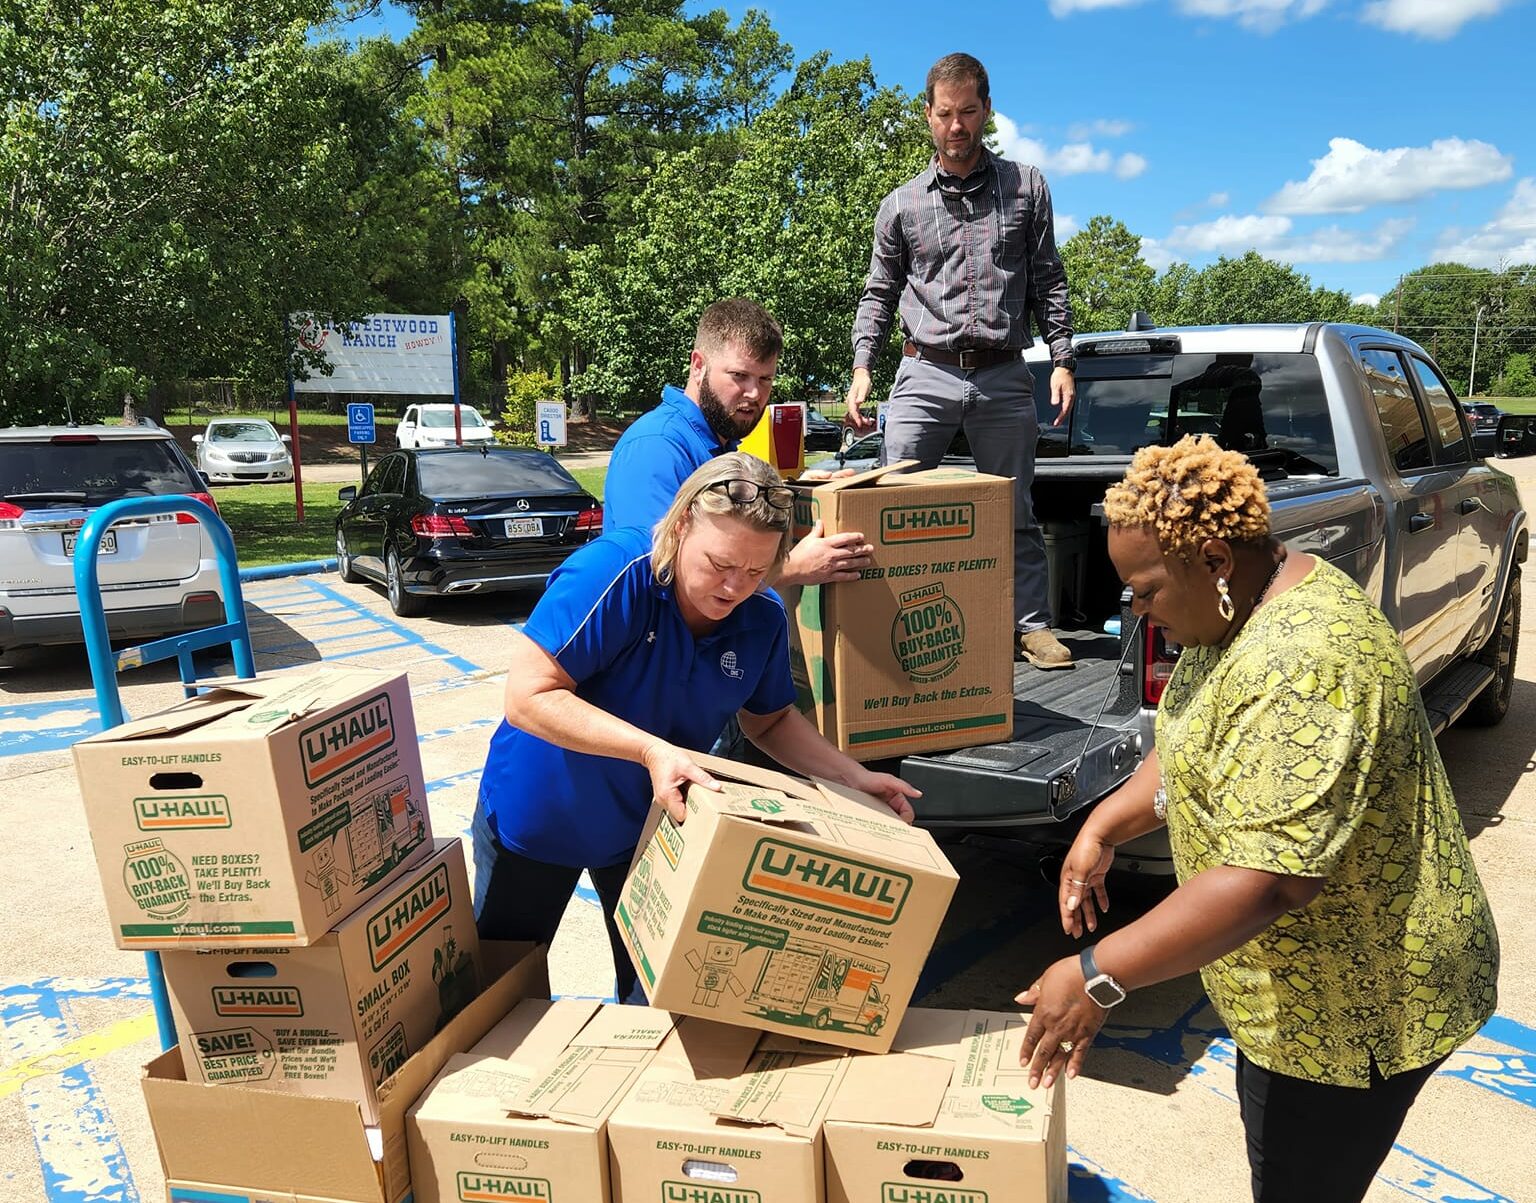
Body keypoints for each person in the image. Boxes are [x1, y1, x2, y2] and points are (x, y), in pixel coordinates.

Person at [1014, 436, 1499, 1203]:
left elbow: (1269, 879)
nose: (1134, 611)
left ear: (1213, 558)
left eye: (1143, 590)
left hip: (1358, 1008)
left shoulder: (1306, 660)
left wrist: (1097, 974)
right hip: (1292, 994)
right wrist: (1103, 825)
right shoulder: (1235, 608)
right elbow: (1190, 738)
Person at [473, 452, 920, 1002]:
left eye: (756, 571)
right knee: (501, 997)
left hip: (648, 833)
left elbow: (771, 721)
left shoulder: (761, 615)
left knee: (656, 1003)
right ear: (682, 524)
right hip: (540, 818)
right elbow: (528, 695)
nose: (734, 588)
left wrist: (852, 777)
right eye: (719, 564)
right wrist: (651, 751)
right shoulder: (614, 573)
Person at [845, 52, 1079, 670]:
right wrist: (863, 367)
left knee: (1014, 506)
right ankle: (890, 625)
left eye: (969, 112)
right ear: (927, 114)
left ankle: (1030, 627)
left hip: (1003, 370)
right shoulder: (900, 205)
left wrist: (1062, 358)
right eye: (945, 113)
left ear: (987, 111)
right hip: (924, 370)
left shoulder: (1027, 186)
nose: (957, 126)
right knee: (892, 503)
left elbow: (1049, 279)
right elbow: (879, 292)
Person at [606, 297, 874, 587]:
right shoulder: (657, 447)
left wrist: (790, 492)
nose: (754, 393)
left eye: (765, 379)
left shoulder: (721, 444)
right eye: (740, 376)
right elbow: (659, 571)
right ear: (698, 366)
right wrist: (792, 568)